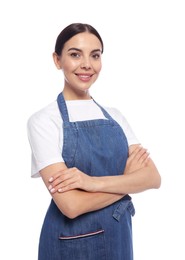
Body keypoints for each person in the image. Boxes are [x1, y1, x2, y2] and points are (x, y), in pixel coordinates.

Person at [27, 23, 161, 260]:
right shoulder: (43, 121)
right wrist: (127, 182)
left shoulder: (115, 116)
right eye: (75, 54)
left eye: (95, 55)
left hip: (119, 237)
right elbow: (70, 205)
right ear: (57, 60)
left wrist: (90, 182)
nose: (87, 64)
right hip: (70, 244)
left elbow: (153, 178)